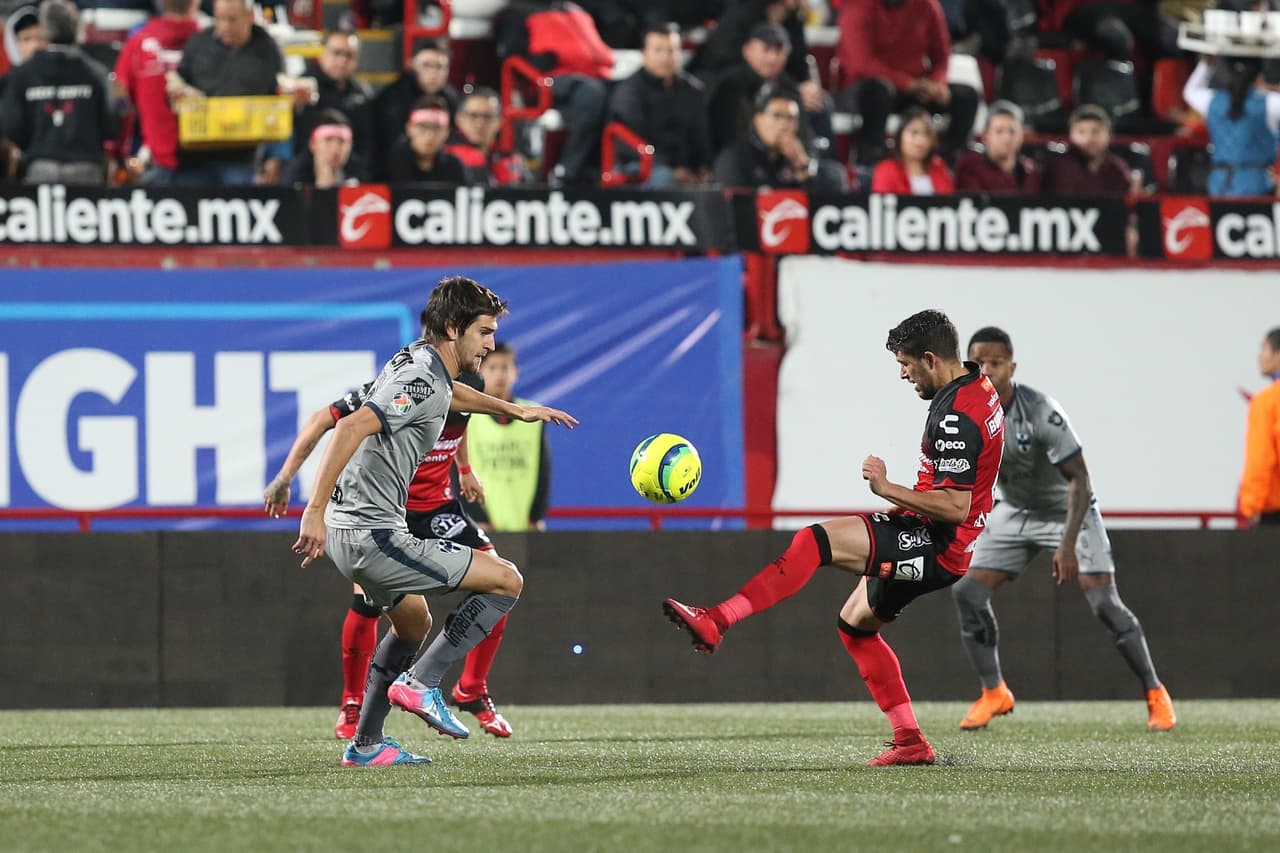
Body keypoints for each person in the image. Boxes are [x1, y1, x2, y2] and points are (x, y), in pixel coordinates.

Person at [663, 309, 1004, 767]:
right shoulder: (977, 387)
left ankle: (718, 620)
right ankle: (910, 742)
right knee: (855, 628)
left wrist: (888, 488)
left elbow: (955, 505)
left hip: (936, 543)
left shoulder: (955, 417)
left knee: (813, 542)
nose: (903, 375)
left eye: (906, 364)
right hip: (939, 539)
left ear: (930, 358)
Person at [292, 276, 577, 767]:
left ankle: (365, 746)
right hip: (372, 534)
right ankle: (423, 683)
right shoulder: (421, 378)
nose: (490, 344)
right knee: (506, 580)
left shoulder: (415, 361)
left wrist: (515, 410)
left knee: (413, 621)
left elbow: (450, 399)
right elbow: (349, 424)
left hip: (350, 530)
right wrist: (311, 511)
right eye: (483, 332)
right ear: (452, 328)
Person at [266, 365, 518, 740]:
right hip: (387, 514)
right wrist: (286, 478)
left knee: (499, 580)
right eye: (483, 331)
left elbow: (458, 418)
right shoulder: (400, 390)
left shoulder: (462, 387)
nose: (486, 344)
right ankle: (353, 702)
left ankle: (472, 688)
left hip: (439, 509)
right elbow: (326, 420)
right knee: (372, 604)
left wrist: (464, 468)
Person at [951, 326, 1176, 733]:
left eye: (995, 363)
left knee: (1105, 604)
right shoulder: (965, 413)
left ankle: (1155, 692)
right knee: (967, 591)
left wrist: (1068, 544)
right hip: (1016, 510)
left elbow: (1080, 480)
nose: (987, 370)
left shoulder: (1040, 411)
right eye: (979, 363)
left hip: (1067, 512)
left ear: (1011, 367)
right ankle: (993, 692)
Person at [836, 0, 979, 163]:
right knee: (877, 92)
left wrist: (936, 84)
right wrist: (909, 84)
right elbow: (862, 63)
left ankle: (950, 162)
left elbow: (941, 55)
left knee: (966, 96)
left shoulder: (927, 5)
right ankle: (872, 161)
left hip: (914, 88)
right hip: (863, 87)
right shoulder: (857, 6)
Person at [0, 0, 120, 186]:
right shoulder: (96, 73)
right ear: (78, 29)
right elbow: (111, 125)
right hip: (86, 168)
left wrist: (36, 145)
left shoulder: (20, 75)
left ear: (45, 30)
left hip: (39, 167)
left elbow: (11, 125)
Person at [495, 1, 614, 185]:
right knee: (591, 94)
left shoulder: (574, 9)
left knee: (622, 93)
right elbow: (510, 58)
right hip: (546, 82)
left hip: (591, 78)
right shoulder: (516, 12)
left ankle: (615, 167)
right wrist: (539, 62)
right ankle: (566, 172)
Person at [172, 0, 286, 185]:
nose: (225, 26)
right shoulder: (198, 43)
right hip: (195, 156)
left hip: (242, 159)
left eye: (232, 19)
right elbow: (178, 83)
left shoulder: (267, 48)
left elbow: (279, 96)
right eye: (220, 19)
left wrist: (276, 156)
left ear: (249, 17)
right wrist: (177, 93)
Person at [607, 23, 712, 188]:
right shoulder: (629, 92)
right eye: (658, 50)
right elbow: (629, 146)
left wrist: (703, 167)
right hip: (640, 165)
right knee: (664, 178)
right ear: (644, 53)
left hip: (685, 168)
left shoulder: (692, 90)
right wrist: (674, 170)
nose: (665, 57)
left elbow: (700, 137)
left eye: (671, 50)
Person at [462, 342, 551, 533]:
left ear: (516, 372)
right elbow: (457, 470)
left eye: (505, 367)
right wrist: (476, 516)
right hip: (483, 523)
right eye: (493, 367)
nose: (500, 374)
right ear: (480, 371)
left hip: (525, 522)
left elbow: (543, 468)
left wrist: (536, 515)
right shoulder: (467, 414)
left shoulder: (533, 413)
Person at [113, 0, 200, 185]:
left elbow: (120, 103)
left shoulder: (137, 45)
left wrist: (120, 155)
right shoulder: (215, 44)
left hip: (158, 161)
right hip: (213, 164)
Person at [1182, 56, 1280, 197]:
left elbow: (1189, 92)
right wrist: (1270, 88)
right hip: (1258, 186)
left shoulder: (1212, 101)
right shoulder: (1269, 103)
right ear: (1259, 77)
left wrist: (1206, 63)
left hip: (1220, 185)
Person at [370, 42, 459, 178]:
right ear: (412, 66)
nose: (434, 73)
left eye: (440, 67)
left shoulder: (453, 99)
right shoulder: (392, 97)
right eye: (427, 65)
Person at [712, 87, 816, 189]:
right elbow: (734, 203)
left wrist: (801, 165)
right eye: (777, 116)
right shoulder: (734, 157)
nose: (784, 125)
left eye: (791, 118)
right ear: (758, 119)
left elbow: (817, 202)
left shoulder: (796, 156)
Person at [296, 30, 375, 161]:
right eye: (336, 53)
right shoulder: (301, 88)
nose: (342, 60)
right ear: (322, 53)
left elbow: (367, 144)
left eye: (349, 55)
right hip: (304, 169)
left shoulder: (362, 95)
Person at [1039, 104, 1139, 196]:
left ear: (1109, 135)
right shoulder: (1057, 168)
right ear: (1071, 135)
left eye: (1095, 131)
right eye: (1081, 132)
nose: (1089, 138)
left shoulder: (1119, 169)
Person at [953, 100, 1043, 194]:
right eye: (999, 131)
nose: (1006, 138)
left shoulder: (1032, 172)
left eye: (1012, 131)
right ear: (985, 135)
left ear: (1021, 135)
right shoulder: (969, 167)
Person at [445, 87, 530, 186]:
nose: (479, 123)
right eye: (473, 115)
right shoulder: (446, 158)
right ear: (459, 119)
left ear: (500, 121)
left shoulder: (511, 159)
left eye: (488, 116)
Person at [1238, 328, 1280, 525]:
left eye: (1264, 349)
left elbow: (1261, 459)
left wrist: (1250, 507)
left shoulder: (1266, 402)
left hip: (1273, 512)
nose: (1259, 357)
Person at [870, 106, 956, 194]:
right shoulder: (886, 170)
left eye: (926, 134)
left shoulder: (939, 168)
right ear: (900, 135)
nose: (921, 141)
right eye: (914, 133)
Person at [386, 96, 467, 184]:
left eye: (437, 128)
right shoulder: (388, 164)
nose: (430, 135)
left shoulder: (454, 166)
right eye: (423, 126)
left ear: (447, 132)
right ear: (409, 128)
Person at [282, 108, 366, 187]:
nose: (335, 148)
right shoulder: (294, 175)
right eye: (328, 140)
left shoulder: (360, 172)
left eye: (342, 141)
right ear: (312, 144)